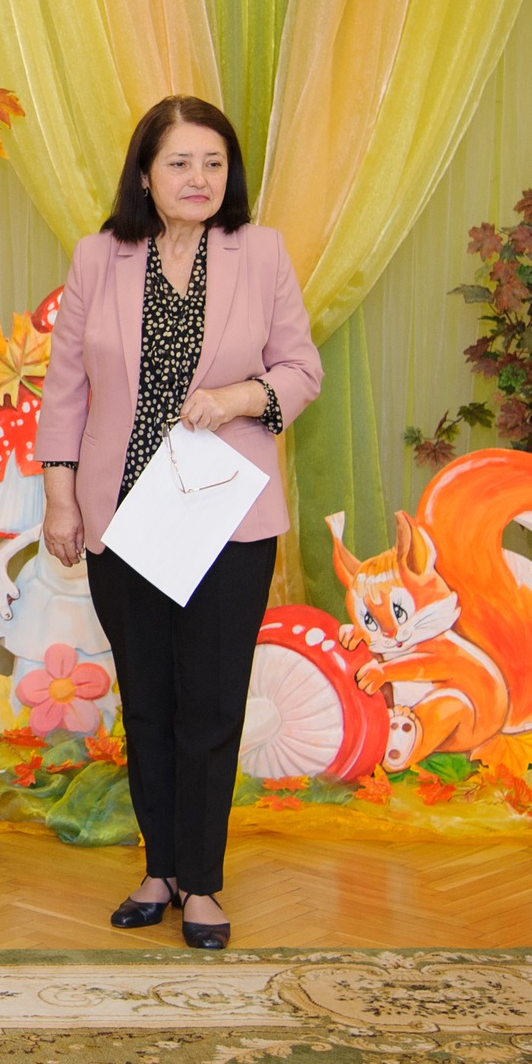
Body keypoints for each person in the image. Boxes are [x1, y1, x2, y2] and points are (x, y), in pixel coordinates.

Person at [35, 96, 322, 950]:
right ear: (145, 174)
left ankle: (201, 881)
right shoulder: (98, 258)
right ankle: (158, 868)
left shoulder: (261, 253)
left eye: (214, 163)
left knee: (211, 704)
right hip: (123, 516)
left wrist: (238, 397)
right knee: (149, 703)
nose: (199, 178)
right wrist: (60, 496)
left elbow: (301, 368)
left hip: (226, 517)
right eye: (180, 162)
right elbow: (66, 389)